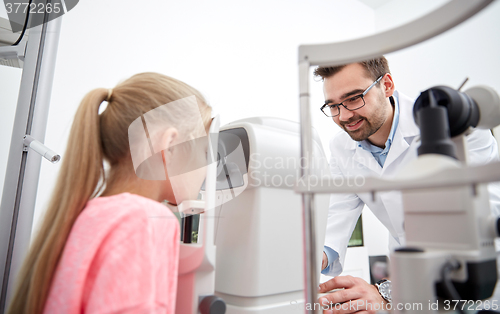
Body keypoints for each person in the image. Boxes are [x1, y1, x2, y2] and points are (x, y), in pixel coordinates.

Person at [7, 73, 212, 314]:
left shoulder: (92, 214)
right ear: (170, 147)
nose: (206, 168)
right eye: (204, 151)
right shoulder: (146, 220)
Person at [314, 57, 500, 313]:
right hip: (408, 285)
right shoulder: (341, 146)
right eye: (333, 106)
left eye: (355, 98)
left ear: (387, 85)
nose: (344, 115)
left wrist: (387, 291)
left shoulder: (457, 127)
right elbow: (338, 209)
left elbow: (482, 216)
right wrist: (313, 258)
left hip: (479, 277)